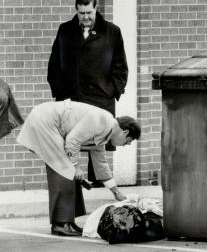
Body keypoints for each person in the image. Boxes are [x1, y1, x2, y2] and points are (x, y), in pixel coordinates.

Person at [16, 100, 141, 236]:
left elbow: (101, 165)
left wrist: (116, 193)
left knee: (68, 169)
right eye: (128, 142)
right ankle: (60, 225)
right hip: (46, 120)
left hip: (50, 122)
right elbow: (72, 140)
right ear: (125, 132)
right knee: (63, 169)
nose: (125, 145)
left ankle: (68, 222)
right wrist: (75, 167)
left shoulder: (104, 134)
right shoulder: (103, 120)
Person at [47, 0, 128, 186]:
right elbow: (54, 65)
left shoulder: (112, 32)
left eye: (89, 12)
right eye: (81, 13)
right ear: (77, 10)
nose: (85, 17)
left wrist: (112, 90)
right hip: (70, 99)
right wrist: (60, 92)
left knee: (97, 147)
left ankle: (99, 186)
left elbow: (121, 67)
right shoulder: (65, 30)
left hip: (100, 98)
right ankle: (72, 191)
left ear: (96, 9)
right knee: (69, 143)